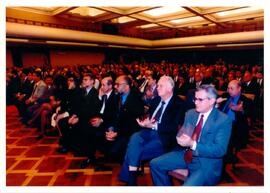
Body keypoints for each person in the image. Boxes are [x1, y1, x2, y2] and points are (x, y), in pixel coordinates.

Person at [150, 85, 232, 186]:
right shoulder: (191, 113)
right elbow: (183, 133)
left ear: (211, 101)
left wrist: (193, 144)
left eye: (200, 99)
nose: (196, 102)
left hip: (206, 162)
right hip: (186, 155)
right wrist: (180, 137)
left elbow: (220, 150)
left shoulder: (223, 120)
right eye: (195, 99)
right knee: (155, 164)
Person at [118, 76, 186, 185]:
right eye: (157, 85)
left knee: (133, 149)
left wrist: (154, 126)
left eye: (160, 86)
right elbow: (150, 116)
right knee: (135, 137)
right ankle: (131, 180)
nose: (157, 88)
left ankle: (131, 180)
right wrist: (145, 122)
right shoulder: (155, 100)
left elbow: (174, 127)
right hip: (148, 132)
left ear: (169, 88)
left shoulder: (178, 104)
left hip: (163, 137)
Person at [217, 80, 253, 164]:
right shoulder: (225, 96)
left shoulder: (245, 100)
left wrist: (241, 110)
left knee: (226, 135)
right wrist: (217, 104)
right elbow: (217, 107)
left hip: (235, 126)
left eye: (231, 88)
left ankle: (225, 156)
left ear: (239, 89)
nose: (229, 90)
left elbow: (253, 113)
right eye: (228, 88)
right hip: (220, 122)